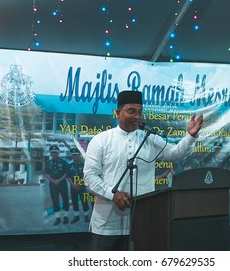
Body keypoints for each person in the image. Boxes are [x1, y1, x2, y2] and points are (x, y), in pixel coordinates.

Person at [83, 90, 203, 250]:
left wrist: (190, 136)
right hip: (107, 225)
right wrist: (113, 194)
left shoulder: (150, 139)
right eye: (131, 111)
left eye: (140, 112)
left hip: (142, 223)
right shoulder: (101, 140)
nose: (137, 117)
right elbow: (90, 177)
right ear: (118, 113)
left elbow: (176, 154)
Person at [44, 145, 70, 225]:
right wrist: (53, 180)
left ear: (58, 153)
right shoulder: (48, 163)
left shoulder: (63, 162)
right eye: (52, 153)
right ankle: (57, 218)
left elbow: (66, 173)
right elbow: (46, 173)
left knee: (65, 199)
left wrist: (59, 180)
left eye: (55, 152)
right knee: (55, 201)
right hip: (53, 184)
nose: (54, 154)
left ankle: (66, 216)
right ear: (51, 153)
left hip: (62, 183)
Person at [67, 147, 90, 223]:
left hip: (82, 186)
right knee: (74, 201)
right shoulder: (69, 165)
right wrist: (73, 184)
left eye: (76, 155)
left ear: (79, 155)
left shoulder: (84, 165)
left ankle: (86, 216)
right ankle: (76, 216)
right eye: (73, 155)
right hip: (73, 186)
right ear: (72, 156)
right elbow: (68, 176)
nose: (75, 156)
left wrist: (80, 184)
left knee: (84, 201)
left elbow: (85, 175)